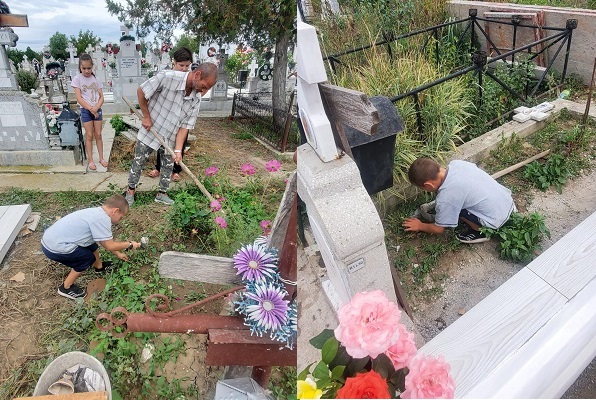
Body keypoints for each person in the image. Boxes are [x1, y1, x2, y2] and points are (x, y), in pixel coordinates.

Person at [124, 61, 218, 206]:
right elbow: (141, 91)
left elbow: (184, 126)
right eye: (204, 86)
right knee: (139, 161)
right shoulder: (167, 77)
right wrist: (146, 116)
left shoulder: (196, 98)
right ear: (197, 75)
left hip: (171, 135)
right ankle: (130, 191)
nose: (203, 91)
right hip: (152, 129)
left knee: (168, 165)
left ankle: (162, 194)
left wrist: (178, 150)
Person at [41, 194, 141, 300]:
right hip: (54, 248)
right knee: (87, 259)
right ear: (115, 211)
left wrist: (118, 253)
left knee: (91, 244)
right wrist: (129, 244)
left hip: (49, 240)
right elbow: (110, 245)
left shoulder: (96, 212)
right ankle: (66, 287)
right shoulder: (102, 219)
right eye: (121, 217)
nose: (120, 220)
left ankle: (99, 266)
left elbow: (104, 242)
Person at [402, 157, 516, 244]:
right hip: (506, 201)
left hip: (495, 219)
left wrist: (420, 225)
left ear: (428, 185)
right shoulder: (457, 164)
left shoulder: (446, 198)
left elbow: (438, 229)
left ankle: (481, 231)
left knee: (456, 210)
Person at [148, 47, 193, 182]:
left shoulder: (188, 80)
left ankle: (175, 169)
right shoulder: (167, 77)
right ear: (174, 62)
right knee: (162, 144)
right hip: (166, 117)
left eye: (187, 66)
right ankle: (159, 167)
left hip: (180, 119)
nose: (184, 69)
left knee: (179, 145)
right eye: (181, 65)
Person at [72, 53, 106, 171]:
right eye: (84, 68)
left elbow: (101, 97)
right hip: (86, 110)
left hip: (97, 109)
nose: (87, 71)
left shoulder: (95, 79)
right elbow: (79, 98)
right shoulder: (77, 79)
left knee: (98, 134)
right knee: (90, 135)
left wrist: (96, 108)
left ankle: (101, 158)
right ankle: (91, 160)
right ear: (80, 68)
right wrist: (91, 109)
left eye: (89, 68)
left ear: (92, 67)